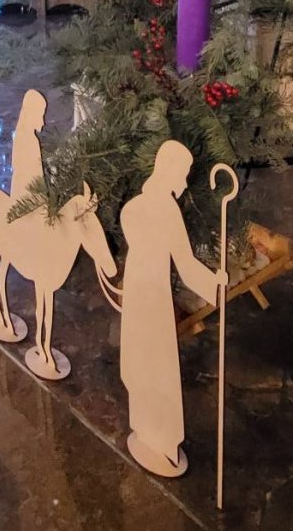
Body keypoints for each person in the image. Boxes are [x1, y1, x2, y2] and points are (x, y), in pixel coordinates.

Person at [119, 141, 228, 476]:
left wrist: (214, 283)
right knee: (155, 362)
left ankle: (154, 432)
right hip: (150, 296)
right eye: (182, 173)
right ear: (168, 170)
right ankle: (158, 436)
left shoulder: (137, 206)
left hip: (139, 291)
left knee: (146, 360)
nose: (184, 181)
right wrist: (216, 285)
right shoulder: (163, 210)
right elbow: (185, 264)